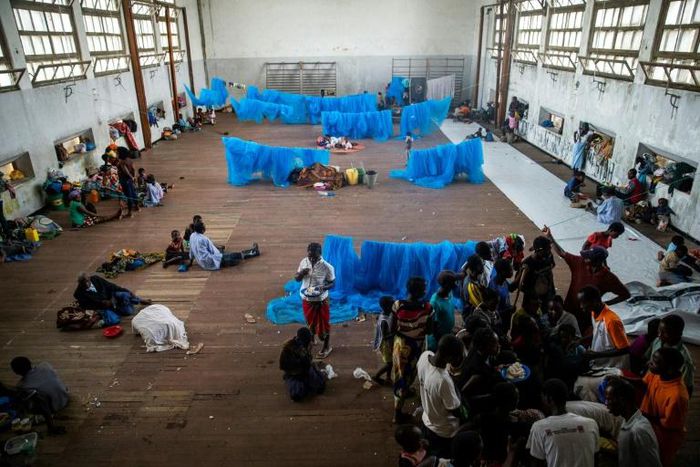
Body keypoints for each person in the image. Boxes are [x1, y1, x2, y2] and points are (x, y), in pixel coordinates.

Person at [543, 226, 630, 328]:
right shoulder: (580, 262)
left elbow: (625, 294)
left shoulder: (608, 277)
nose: (585, 257)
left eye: (588, 257)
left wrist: (605, 303)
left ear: (597, 261)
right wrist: (550, 237)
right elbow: (562, 253)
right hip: (568, 309)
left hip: (585, 318)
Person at [526, 378, 599, 467]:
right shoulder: (591, 424)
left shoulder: (539, 427)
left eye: (542, 397)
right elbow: (595, 458)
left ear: (549, 399)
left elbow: (537, 463)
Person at [417, 335, 468, 457]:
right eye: (458, 356)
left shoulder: (425, 356)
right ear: (450, 357)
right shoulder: (443, 380)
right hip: (444, 431)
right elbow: (455, 409)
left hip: (428, 420)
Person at [639, 347, 689, 467]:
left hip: (666, 436)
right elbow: (643, 384)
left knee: (659, 460)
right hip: (650, 424)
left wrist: (643, 416)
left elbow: (668, 424)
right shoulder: (657, 373)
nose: (650, 363)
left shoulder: (677, 395)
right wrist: (623, 381)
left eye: (655, 362)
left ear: (670, 369)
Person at [392, 277, 432, 423]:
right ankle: (397, 414)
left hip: (400, 345)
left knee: (399, 375)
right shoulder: (427, 308)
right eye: (425, 288)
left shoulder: (398, 306)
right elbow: (429, 329)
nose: (426, 290)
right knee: (409, 375)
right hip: (416, 346)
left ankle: (402, 397)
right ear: (421, 291)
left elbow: (392, 327)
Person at [605, 376, 662, 467]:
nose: (606, 403)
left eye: (609, 399)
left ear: (622, 400)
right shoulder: (626, 420)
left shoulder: (639, 430)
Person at [295, 242, 335, 358]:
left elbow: (332, 283)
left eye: (314, 256)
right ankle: (311, 338)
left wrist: (323, 287)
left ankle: (326, 346)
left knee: (323, 326)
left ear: (320, 253)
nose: (311, 258)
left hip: (320, 300)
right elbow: (297, 279)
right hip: (306, 298)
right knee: (309, 322)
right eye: (310, 256)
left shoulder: (327, 267)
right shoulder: (304, 262)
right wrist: (301, 273)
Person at [10, 357, 69, 435]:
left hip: (55, 406)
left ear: (16, 372)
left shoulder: (23, 385)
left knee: (31, 400)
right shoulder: (45, 365)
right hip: (64, 395)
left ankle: (48, 420)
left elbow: (41, 401)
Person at [580, 285, 630, 369]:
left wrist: (597, 355)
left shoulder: (612, 321)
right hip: (602, 363)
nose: (581, 306)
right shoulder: (594, 312)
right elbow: (599, 333)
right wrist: (581, 340)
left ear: (594, 301)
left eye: (583, 302)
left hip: (614, 367)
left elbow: (624, 349)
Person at [645, 314, 695, 396]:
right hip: (650, 385)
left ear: (678, 334)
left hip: (664, 394)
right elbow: (648, 359)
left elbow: (687, 388)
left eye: (665, 332)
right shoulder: (658, 341)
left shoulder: (685, 361)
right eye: (659, 331)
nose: (659, 335)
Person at [188, 222, 260, 271]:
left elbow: (191, 251)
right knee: (234, 256)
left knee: (231, 256)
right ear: (203, 230)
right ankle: (253, 253)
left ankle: (251, 252)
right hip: (211, 260)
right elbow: (213, 251)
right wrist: (220, 253)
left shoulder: (192, 236)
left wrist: (190, 262)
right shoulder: (203, 239)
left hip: (202, 263)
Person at [279, 327, 325, 402]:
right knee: (317, 384)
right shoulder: (299, 349)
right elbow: (306, 365)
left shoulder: (294, 343)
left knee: (316, 381)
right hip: (295, 372)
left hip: (295, 370)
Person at [73, 272, 151, 317]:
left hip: (112, 296)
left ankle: (138, 300)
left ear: (89, 279)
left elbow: (110, 285)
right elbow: (86, 306)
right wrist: (102, 304)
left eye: (87, 281)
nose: (86, 284)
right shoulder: (79, 293)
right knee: (129, 312)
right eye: (83, 283)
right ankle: (129, 302)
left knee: (125, 294)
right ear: (80, 284)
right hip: (106, 306)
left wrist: (128, 291)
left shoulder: (95, 279)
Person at [458, 328, 502, 401]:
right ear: (485, 347)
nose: (499, 345)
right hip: (477, 396)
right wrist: (492, 396)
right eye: (495, 344)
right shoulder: (477, 374)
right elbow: (463, 392)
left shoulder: (478, 350)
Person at [513, 235, 555, 308]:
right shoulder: (527, 264)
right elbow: (517, 284)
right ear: (540, 251)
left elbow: (552, 265)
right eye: (548, 249)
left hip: (548, 295)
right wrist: (532, 293)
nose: (550, 250)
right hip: (532, 302)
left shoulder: (548, 256)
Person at [426, 271, 458, 351]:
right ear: (447, 285)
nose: (455, 285)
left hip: (446, 334)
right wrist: (443, 342)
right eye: (453, 283)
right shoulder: (435, 302)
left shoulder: (449, 293)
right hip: (437, 342)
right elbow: (433, 328)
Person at [488, 258, 517, 334]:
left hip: (506, 319)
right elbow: (493, 312)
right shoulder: (494, 288)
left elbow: (511, 288)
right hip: (498, 323)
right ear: (502, 272)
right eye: (510, 270)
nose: (512, 272)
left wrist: (521, 274)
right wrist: (509, 310)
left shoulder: (503, 281)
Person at [373, 296, 396, 384]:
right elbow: (385, 336)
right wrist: (395, 333)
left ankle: (388, 378)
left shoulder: (385, 313)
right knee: (389, 363)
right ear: (387, 307)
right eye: (392, 304)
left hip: (387, 342)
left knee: (390, 362)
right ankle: (377, 376)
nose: (393, 306)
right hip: (385, 344)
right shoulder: (384, 321)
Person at [459, 254, 485, 318]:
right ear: (475, 267)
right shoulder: (470, 285)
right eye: (481, 264)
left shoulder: (475, 278)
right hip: (473, 316)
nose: (483, 266)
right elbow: (479, 306)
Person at [116, 150, 139, 217]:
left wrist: (131, 177)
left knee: (129, 196)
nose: (116, 154)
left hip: (125, 180)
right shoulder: (130, 160)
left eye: (117, 153)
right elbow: (134, 169)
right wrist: (134, 177)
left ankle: (130, 212)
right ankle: (137, 207)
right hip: (130, 180)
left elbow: (126, 172)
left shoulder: (122, 162)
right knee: (133, 193)